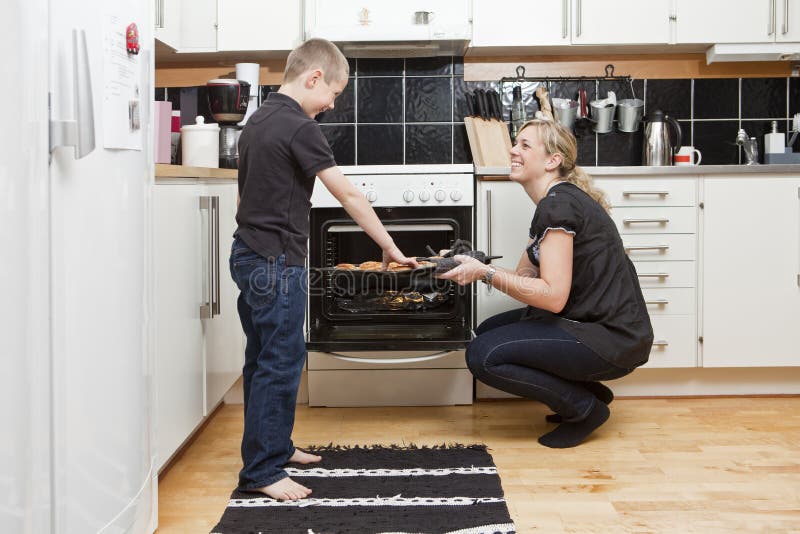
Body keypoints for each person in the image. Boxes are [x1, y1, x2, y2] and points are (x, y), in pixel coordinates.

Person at [229, 38, 418, 501]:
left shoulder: (257, 121)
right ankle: (263, 473)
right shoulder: (299, 126)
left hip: (247, 253)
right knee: (282, 360)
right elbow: (349, 195)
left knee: (262, 358)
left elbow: (245, 194)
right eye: (333, 93)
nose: (333, 104)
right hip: (276, 261)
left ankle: (273, 448)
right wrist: (390, 247)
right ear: (313, 78)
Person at [438, 119, 653, 448]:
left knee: (483, 355)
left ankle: (584, 409)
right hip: (590, 323)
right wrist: (473, 262)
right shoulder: (552, 204)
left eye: (525, 145)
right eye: (515, 143)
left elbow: (551, 298)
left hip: (611, 338)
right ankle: (585, 392)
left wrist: (484, 274)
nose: (513, 150)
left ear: (553, 161)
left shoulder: (558, 207)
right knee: (487, 331)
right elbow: (526, 278)